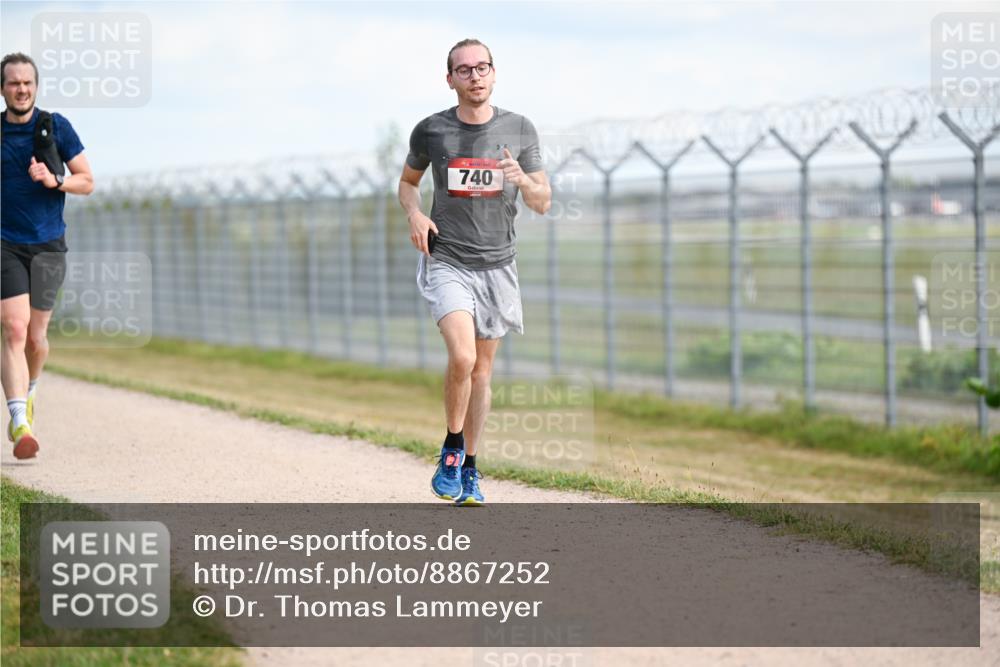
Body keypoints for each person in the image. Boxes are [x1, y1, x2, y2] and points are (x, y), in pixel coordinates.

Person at [398, 38, 551, 505]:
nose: (475, 76)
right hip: (448, 261)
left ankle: (470, 467)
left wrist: (523, 179)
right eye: (464, 70)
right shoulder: (431, 131)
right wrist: (416, 214)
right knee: (462, 359)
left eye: (482, 67)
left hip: (498, 266)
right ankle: (450, 447)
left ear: (494, 73)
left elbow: (543, 201)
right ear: (451, 80)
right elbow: (408, 184)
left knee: (482, 372)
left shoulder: (520, 128)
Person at [1, 52, 94, 459]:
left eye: (27, 83)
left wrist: (55, 180)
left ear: (35, 87)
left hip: (48, 244)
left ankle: (31, 392)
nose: (21, 89)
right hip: (4, 243)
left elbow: (87, 181)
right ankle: (20, 421)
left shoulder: (56, 127)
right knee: (14, 329)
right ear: (2, 89)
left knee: (36, 339)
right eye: (12, 83)